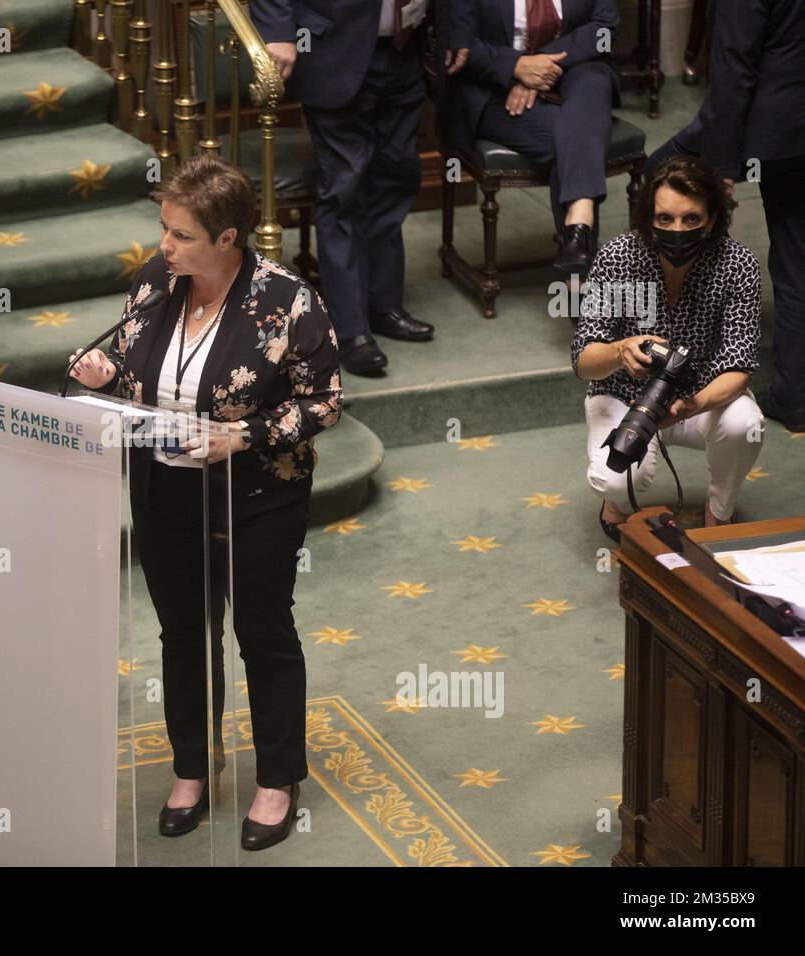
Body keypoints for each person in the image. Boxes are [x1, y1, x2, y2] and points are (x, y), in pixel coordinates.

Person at [68, 155, 342, 851]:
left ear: (228, 239)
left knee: (262, 631)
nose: (166, 247)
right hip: (164, 487)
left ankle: (277, 778)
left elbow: (325, 402)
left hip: (257, 493)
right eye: (165, 229)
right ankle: (193, 766)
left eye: (182, 235)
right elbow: (137, 374)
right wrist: (106, 377)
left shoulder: (287, 300)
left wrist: (243, 435)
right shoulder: (157, 283)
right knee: (184, 632)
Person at [251, 0, 474, 377]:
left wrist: (458, 28)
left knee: (397, 177)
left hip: (408, 50)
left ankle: (382, 303)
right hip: (332, 49)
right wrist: (277, 32)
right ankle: (350, 327)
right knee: (345, 187)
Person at [572, 156, 764, 539]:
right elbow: (583, 361)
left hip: (698, 399)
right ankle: (617, 503)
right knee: (613, 478)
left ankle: (719, 511)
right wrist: (620, 349)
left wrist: (691, 405)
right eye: (665, 219)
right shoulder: (618, 256)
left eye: (691, 219)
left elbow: (739, 366)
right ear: (649, 218)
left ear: (711, 220)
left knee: (746, 425)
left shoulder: (737, 263)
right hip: (626, 398)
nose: (678, 229)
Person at [645, 0, 805, 431]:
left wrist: (718, 168)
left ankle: (656, 330)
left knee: (656, 177)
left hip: (777, 125)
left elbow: (735, 69)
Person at [446, 0, 621, 274]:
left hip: (574, 70)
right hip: (491, 87)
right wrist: (516, 67)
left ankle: (578, 225)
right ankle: (580, 274)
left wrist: (542, 64)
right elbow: (453, 40)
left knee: (593, 83)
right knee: (575, 136)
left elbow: (605, 31)